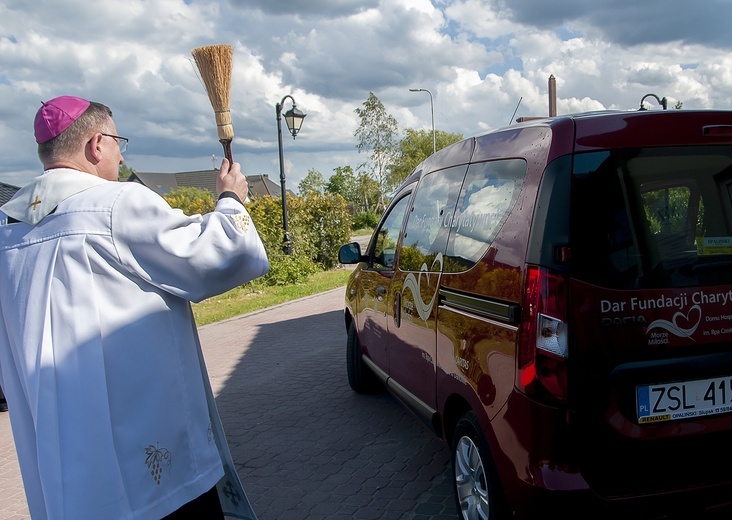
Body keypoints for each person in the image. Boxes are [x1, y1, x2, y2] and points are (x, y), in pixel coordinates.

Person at [0, 96, 268, 519]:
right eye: (118, 141)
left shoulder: (8, 230)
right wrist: (230, 200)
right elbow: (214, 256)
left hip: (60, 450)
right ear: (96, 145)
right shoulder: (115, 205)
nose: (122, 155)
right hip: (146, 456)